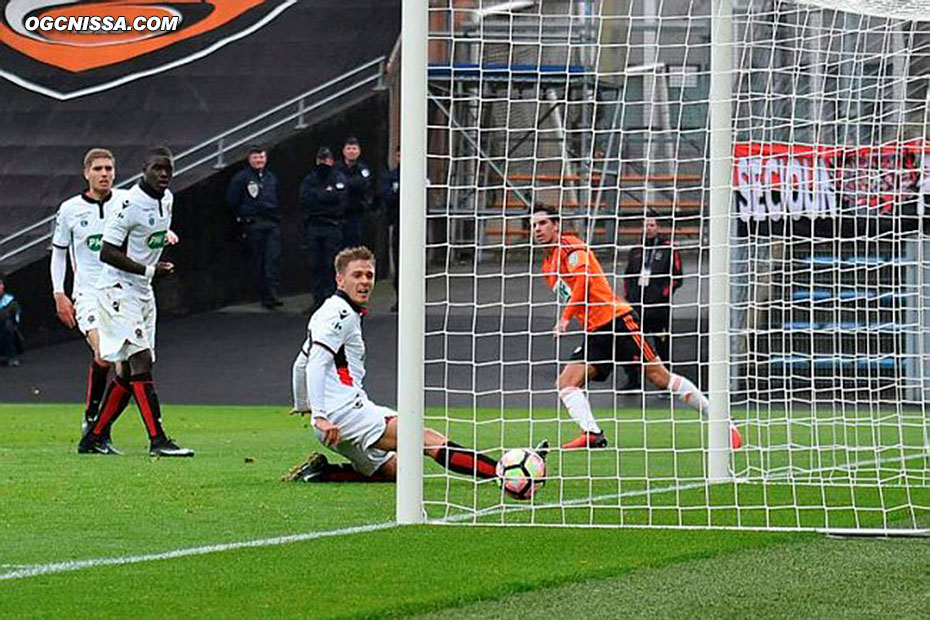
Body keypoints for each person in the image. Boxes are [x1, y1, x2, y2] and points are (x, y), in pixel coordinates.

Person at [284, 246, 536, 482]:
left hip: (336, 422)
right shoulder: (339, 314)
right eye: (356, 275)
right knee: (425, 438)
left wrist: (303, 403)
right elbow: (315, 363)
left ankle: (324, 473)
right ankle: (506, 475)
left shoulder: (334, 311)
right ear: (340, 280)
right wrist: (318, 415)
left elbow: (300, 364)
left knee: (395, 471)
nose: (364, 282)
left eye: (369, 275)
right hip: (345, 415)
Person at [531, 206, 741, 450]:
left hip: (618, 321)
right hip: (595, 331)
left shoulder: (571, 247)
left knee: (659, 378)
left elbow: (583, 281)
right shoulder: (548, 266)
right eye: (534, 225)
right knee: (566, 382)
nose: (537, 229)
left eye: (543, 223)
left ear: (556, 226)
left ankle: (723, 421)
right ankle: (591, 433)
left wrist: (565, 318)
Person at [50, 148, 178, 446]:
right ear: (86, 173)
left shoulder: (128, 200)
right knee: (106, 356)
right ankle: (96, 419)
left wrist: (166, 231)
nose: (104, 174)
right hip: (89, 293)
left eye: (109, 168)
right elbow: (58, 254)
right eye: (98, 169)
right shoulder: (70, 209)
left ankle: (95, 432)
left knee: (123, 364)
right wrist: (59, 293)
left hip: (128, 288)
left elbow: (144, 224)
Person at [78, 147, 194, 457]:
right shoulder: (128, 203)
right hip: (117, 289)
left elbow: (150, 241)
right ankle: (158, 441)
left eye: (168, 169)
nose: (163, 174)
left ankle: (95, 436)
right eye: (157, 168)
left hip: (143, 291)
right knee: (140, 358)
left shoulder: (167, 199)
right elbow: (107, 251)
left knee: (131, 371)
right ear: (144, 168)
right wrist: (149, 269)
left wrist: (152, 270)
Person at [622, 217, 683, 374]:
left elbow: (677, 276)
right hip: (637, 303)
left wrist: (663, 294)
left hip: (658, 306)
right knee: (634, 340)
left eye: (652, 225)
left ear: (658, 227)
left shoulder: (668, 249)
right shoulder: (636, 250)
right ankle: (633, 379)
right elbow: (627, 275)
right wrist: (629, 295)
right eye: (645, 225)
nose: (648, 228)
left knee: (661, 341)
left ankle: (666, 377)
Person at [227, 146, 283, 309]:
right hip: (253, 223)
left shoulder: (271, 177)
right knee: (258, 259)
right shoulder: (241, 178)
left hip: (271, 222)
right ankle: (264, 294)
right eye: (255, 158)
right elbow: (232, 200)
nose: (259, 161)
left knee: (272, 259)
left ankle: (272, 292)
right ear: (249, 159)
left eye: (261, 157)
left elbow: (278, 196)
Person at [299, 146, 347, 314]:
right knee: (315, 264)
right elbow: (305, 198)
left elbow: (339, 198)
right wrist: (325, 194)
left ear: (332, 161)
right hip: (314, 226)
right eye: (321, 160)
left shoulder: (338, 177)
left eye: (326, 160)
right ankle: (317, 299)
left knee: (331, 264)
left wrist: (319, 196)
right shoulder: (310, 179)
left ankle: (332, 300)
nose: (324, 163)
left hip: (332, 225)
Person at [333, 137, 373, 249]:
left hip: (357, 213)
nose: (351, 151)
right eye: (349, 148)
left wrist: (344, 183)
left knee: (355, 246)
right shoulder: (336, 168)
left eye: (354, 148)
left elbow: (363, 183)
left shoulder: (363, 169)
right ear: (344, 151)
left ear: (359, 151)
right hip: (338, 214)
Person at [381, 145, 400, 312]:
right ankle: (399, 297)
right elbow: (387, 197)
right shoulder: (390, 176)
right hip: (397, 222)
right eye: (399, 155)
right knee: (398, 259)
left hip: (416, 227)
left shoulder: (419, 175)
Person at [0, 273, 23, 367]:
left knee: (8, 326)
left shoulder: (10, 301)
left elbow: (17, 316)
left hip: (7, 330)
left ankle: (12, 357)